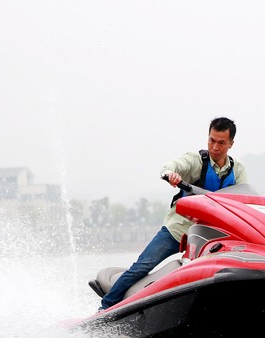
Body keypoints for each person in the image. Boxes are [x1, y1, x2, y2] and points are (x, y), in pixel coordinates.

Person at [96, 116, 247, 312]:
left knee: (223, 275)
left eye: (221, 143)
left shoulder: (238, 170)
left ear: (231, 144)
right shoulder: (196, 161)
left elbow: (245, 199)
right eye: (212, 140)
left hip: (210, 239)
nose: (215, 147)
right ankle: (105, 308)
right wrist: (172, 175)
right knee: (142, 267)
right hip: (178, 231)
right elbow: (168, 168)